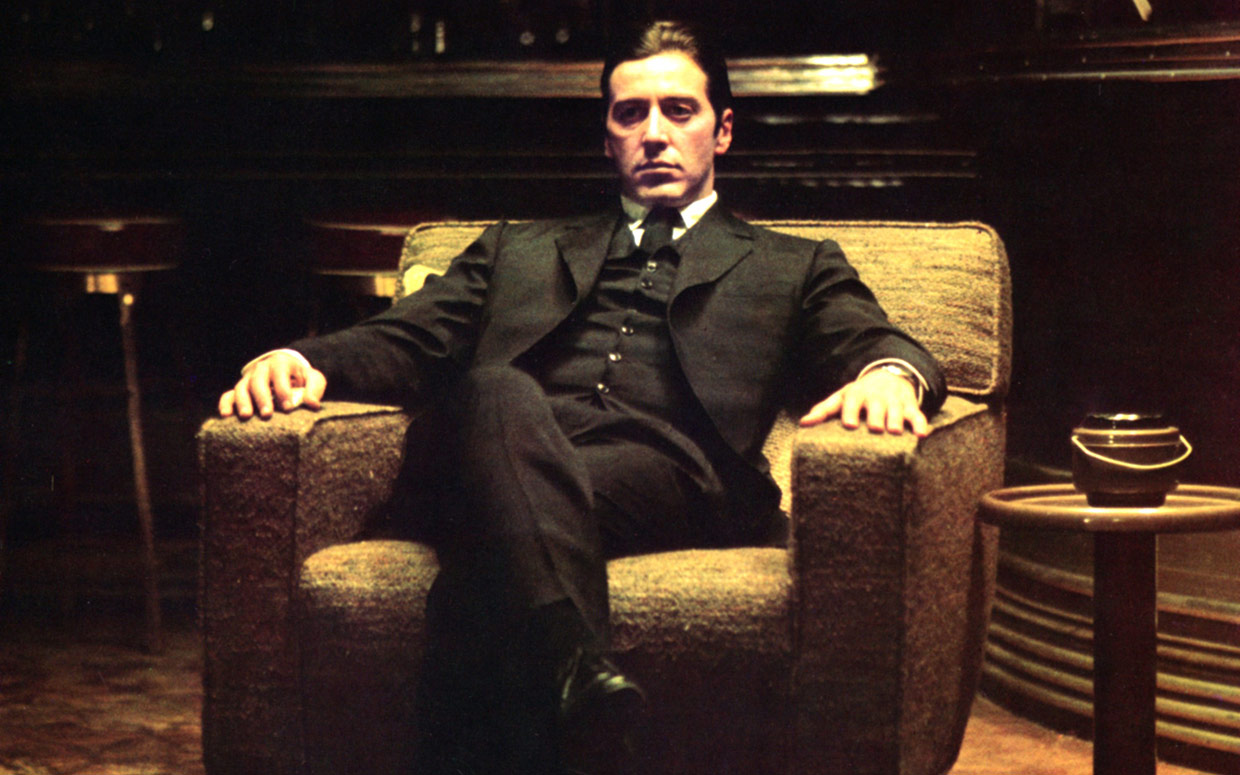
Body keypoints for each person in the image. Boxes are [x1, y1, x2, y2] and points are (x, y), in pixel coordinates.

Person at [219, 19, 946, 775]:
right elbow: (410, 335)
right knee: (496, 389)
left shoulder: (793, 265)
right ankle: (576, 672)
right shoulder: (516, 248)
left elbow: (876, 341)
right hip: (486, 445)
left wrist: (889, 376)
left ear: (723, 130)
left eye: (679, 110)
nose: (654, 134)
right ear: (607, 138)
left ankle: (556, 677)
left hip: (666, 478)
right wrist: (301, 358)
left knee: (483, 565)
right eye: (631, 114)